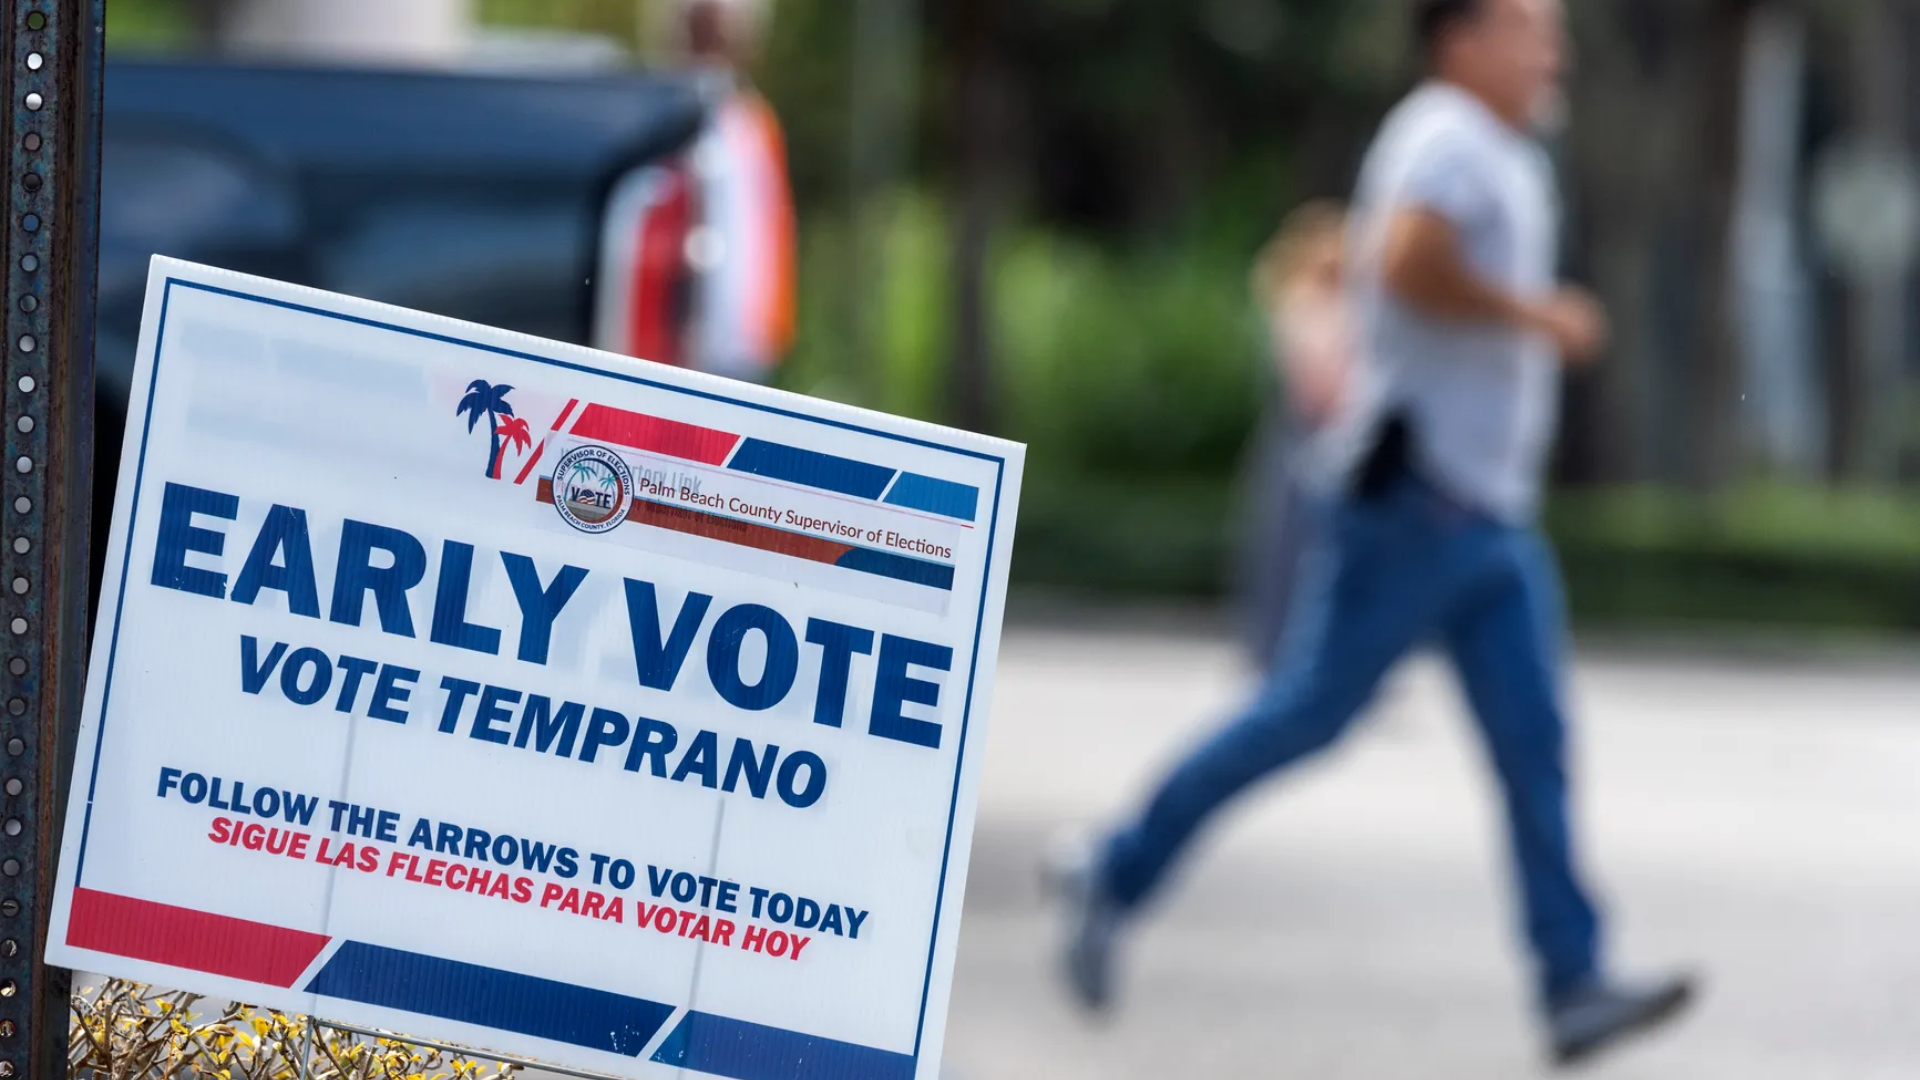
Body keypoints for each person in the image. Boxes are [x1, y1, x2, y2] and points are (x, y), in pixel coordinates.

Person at [1051, 0, 1695, 1066]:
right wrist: (1538, 317)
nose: (1554, 50)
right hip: (1415, 507)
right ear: (1460, 39)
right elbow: (1403, 264)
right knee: (1306, 712)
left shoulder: (1496, 147)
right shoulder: (1444, 136)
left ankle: (1572, 980)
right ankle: (1116, 864)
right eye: (1530, 28)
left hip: (1487, 514)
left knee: (1534, 746)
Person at [1233, 202, 1353, 670]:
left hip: (1330, 435)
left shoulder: (1344, 304)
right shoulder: (1304, 303)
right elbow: (1315, 382)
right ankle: (1279, 650)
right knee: (1292, 548)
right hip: (1307, 437)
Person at [668, 0, 798, 382]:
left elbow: (772, 232)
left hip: (746, 345)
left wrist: (774, 327)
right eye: (702, 33)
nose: (712, 50)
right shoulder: (665, 119)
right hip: (679, 344)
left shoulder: (757, 124)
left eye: (722, 36)